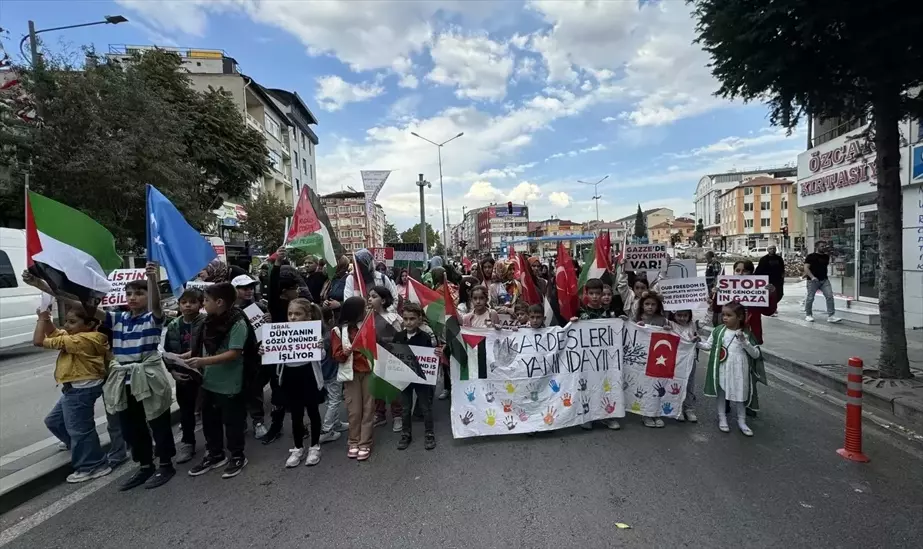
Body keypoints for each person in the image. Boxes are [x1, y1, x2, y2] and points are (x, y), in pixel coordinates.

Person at [102, 262, 175, 491]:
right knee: (131, 426)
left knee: (157, 420)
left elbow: (156, 306)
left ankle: (165, 463)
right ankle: (145, 465)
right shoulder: (118, 318)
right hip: (124, 378)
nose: (133, 297)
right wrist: (50, 288)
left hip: (147, 376)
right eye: (129, 293)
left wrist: (152, 279)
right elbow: (84, 308)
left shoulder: (153, 318)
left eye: (139, 293)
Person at [186, 283, 256, 479]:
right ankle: (215, 454)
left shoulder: (238, 322)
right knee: (210, 421)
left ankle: (237, 456)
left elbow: (234, 352)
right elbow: (204, 348)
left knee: (232, 422)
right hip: (209, 381)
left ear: (219, 302)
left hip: (231, 382)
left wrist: (201, 361)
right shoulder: (209, 322)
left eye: (206, 300)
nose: (203, 305)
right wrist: (183, 357)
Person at [38, 305, 113, 483]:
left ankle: (93, 465)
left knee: (80, 430)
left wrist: (41, 319)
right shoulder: (76, 336)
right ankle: (78, 446)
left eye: (72, 322)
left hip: (81, 389)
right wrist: (47, 318)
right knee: (54, 421)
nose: (67, 325)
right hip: (74, 388)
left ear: (89, 324)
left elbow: (38, 341)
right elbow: (55, 333)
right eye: (67, 321)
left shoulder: (85, 339)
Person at [698, 302, 765, 437]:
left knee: (740, 394)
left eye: (729, 315)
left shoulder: (746, 333)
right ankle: (722, 418)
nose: (725, 318)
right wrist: (696, 342)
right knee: (722, 392)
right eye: (723, 315)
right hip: (723, 367)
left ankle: (742, 421)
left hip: (740, 368)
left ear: (740, 317)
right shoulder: (718, 330)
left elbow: (756, 354)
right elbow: (707, 346)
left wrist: (744, 342)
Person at [276, 298, 326, 468]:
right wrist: (265, 350)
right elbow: (275, 356)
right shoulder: (282, 332)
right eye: (290, 314)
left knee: (313, 412)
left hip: (309, 375)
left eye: (297, 314)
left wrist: (319, 348)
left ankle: (314, 446)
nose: (293, 317)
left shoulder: (313, 332)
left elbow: (322, 357)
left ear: (308, 316)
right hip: (290, 377)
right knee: (296, 415)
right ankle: (297, 447)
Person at [570, 278, 620, 432]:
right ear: (586, 294)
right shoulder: (582, 312)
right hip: (588, 359)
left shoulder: (610, 313)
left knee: (607, 386)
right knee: (588, 386)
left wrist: (621, 321)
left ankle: (607, 416)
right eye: (591, 293)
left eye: (598, 293)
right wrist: (573, 322)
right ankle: (588, 415)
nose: (595, 297)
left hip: (606, 359)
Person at [163, 288, 206, 464]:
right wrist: (173, 371)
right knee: (186, 412)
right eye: (183, 302)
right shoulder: (173, 325)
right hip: (183, 375)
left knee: (211, 410)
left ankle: (213, 444)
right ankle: (188, 443)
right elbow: (167, 352)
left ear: (201, 304)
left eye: (192, 302)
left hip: (205, 373)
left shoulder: (206, 322)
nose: (188, 305)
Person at [332, 296, 375, 461]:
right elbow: (336, 356)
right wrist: (345, 352)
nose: (366, 311)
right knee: (354, 410)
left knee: (368, 408)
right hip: (351, 375)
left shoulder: (366, 326)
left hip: (369, 371)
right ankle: (353, 441)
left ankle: (365, 442)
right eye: (363, 308)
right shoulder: (338, 331)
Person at [395, 302, 437, 451]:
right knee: (405, 408)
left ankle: (429, 433)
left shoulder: (425, 337)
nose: (408, 322)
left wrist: (436, 353)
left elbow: (431, 356)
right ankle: (406, 434)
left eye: (412, 319)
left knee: (425, 407)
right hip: (405, 378)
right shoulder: (399, 336)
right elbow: (395, 355)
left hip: (421, 379)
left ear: (419, 319)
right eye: (405, 319)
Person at [369, 286, 404, 432]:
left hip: (391, 357)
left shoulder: (393, 317)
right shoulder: (367, 318)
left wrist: (382, 340)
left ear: (383, 300)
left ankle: (397, 415)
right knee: (377, 387)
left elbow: (400, 336)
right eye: (369, 296)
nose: (370, 299)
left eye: (374, 296)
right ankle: (380, 414)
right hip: (374, 358)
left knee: (393, 387)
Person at [667, 310, 698, 423]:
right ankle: (677, 408)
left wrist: (709, 309)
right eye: (679, 315)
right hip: (676, 360)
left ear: (689, 315)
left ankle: (689, 409)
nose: (682, 318)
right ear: (674, 314)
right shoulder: (670, 324)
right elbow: (656, 322)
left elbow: (706, 320)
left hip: (690, 359)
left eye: (685, 315)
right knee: (677, 384)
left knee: (689, 384)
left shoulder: (692, 324)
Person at [804, 241, 842, 323]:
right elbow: (806, 268)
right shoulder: (811, 256)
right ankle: (808, 314)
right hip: (812, 281)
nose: (824, 247)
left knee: (829, 296)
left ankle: (831, 316)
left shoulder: (826, 256)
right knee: (810, 297)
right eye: (822, 246)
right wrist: (812, 277)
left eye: (825, 246)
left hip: (824, 280)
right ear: (817, 247)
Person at [321, 255, 350, 325]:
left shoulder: (348, 279)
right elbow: (325, 296)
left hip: (344, 318)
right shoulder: (330, 279)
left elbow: (354, 299)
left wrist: (339, 304)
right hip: (330, 318)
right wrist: (324, 303)